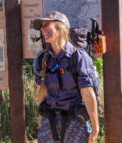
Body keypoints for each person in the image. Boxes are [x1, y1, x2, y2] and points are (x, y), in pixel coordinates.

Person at [33, 11, 99, 143]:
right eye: (41, 26)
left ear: (60, 27)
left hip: (76, 122)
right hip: (50, 121)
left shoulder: (78, 57)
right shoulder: (41, 59)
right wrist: (42, 122)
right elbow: (41, 93)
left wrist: (95, 127)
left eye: (46, 24)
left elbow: (87, 92)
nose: (42, 29)